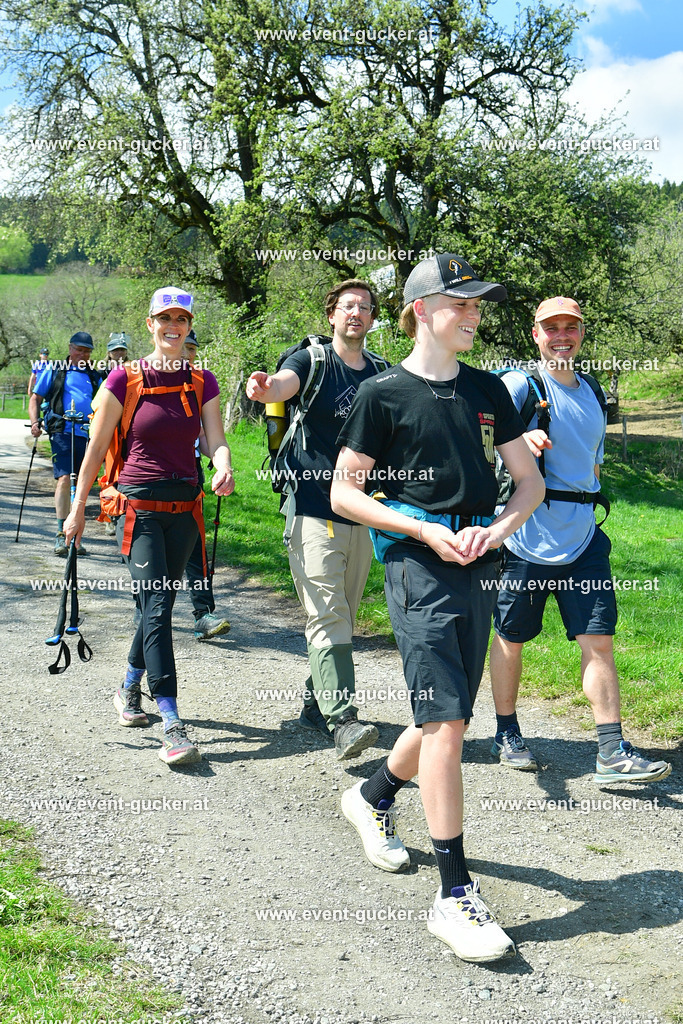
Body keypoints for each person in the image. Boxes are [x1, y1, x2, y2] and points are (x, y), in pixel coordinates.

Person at [330, 253, 544, 962]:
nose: (475, 316)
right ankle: (453, 895)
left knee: (443, 714)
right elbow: (344, 493)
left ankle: (373, 792)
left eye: (478, 305)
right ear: (422, 309)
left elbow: (527, 484)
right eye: (463, 305)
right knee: (448, 722)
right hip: (419, 568)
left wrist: (497, 530)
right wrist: (420, 527)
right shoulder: (383, 394)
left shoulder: (490, 391)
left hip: (479, 565)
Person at [488, 297, 672, 784]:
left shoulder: (590, 388)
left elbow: (591, 455)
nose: (562, 336)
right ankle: (507, 731)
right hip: (523, 535)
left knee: (599, 639)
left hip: (584, 534)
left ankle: (610, 750)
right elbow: (477, 434)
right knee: (510, 637)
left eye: (571, 327)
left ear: (582, 333)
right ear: (535, 334)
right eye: (552, 328)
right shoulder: (519, 384)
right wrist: (518, 445)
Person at [64, 287, 235, 767]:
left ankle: (127, 689)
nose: (173, 326)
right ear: (150, 324)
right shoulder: (123, 380)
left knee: (155, 608)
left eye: (181, 319)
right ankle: (172, 722)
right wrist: (77, 509)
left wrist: (223, 465)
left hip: (186, 511)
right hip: (139, 510)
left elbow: (215, 440)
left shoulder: (203, 381)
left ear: (189, 325)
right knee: (158, 606)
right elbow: (95, 451)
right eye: (165, 318)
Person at [246, 279, 385, 759]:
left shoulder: (382, 374)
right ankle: (342, 718)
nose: (357, 314)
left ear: (372, 318)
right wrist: (268, 389)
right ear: (332, 314)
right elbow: (283, 387)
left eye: (365, 308)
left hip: (360, 513)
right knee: (328, 614)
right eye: (348, 306)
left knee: (341, 613)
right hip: (312, 509)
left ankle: (314, 700)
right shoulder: (313, 360)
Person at [29, 332, 103, 556]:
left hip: (88, 433)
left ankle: (75, 537)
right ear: (70, 348)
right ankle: (61, 533)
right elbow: (35, 398)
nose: (83, 354)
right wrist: (35, 422)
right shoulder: (55, 369)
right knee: (64, 478)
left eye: (87, 350)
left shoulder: (94, 376)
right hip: (61, 430)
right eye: (79, 349)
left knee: (84, 482)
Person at [183, 332, 231, 640]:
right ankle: (142, 607)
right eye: (184, 346)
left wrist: (220, 465)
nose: (187, 353)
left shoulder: (200, 385)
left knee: (195, 548)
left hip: (191, 476)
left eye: (192, 348)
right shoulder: (141, 379)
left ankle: (204, 614)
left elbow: (209, 434)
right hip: (145, 484)